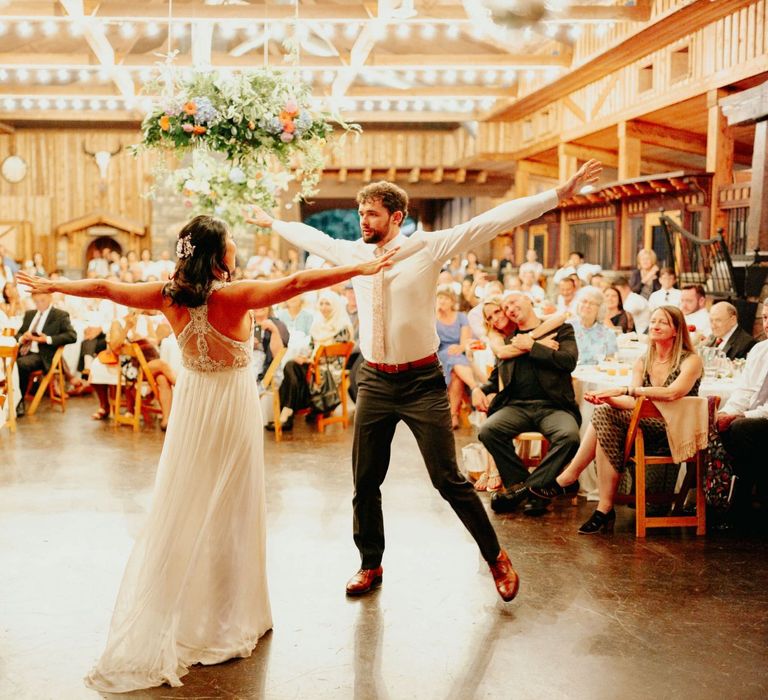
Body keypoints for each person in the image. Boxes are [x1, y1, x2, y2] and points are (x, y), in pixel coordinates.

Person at [17, 215, 394, 693]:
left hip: (193, 407)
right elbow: (298, 280)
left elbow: (105, 287)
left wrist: (54, 283)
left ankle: (192, 606)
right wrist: (357, 271)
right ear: (218, 257)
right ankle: (228, 615)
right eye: (232, 244)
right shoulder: (232, 297)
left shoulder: (166, 295)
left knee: (189, 498)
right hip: (230, 407)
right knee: (231, 505)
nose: (236, 250)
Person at [248, 159, 603, 602]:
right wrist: (272, 221)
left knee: (448, 479)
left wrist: (558, 194)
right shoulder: (354, 254)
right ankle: (369, 563)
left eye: (372, 214)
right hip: (375, 380)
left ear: (396, 217)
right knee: (365, 481)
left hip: (421, 382)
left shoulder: (428, 248)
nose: (364, 221)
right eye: (361, 214)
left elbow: (490, 220)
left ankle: (496, 557)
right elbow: (313, 238)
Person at [530, 306, 703, 533]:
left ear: (676, 330)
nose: (655, 326)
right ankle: (601, 506)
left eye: (663, 322)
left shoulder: (690, 360)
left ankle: (578, 484)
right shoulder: (644, 360)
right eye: (653, 321)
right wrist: (608, 399)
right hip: (644, 424)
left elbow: (672, 393)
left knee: (605, 419)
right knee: (604, 415)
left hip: (674, 429)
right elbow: (633, 404)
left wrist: (625, 389)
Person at [474, 292, 581, 517]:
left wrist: (532, 347)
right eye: (506, 307)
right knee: (488, 431)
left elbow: (568, 361)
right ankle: (532, 488)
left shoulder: (561, 330)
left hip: (554, 406)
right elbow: (497, 377)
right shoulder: (507, 339)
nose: (510, 308)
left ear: (529, 301)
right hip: (517, 407)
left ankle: (523, 491)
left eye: (513, 302)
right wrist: (479, 390)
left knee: (569, 436)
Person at [268, 290, 354, 431]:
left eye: (328, 304)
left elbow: (337, 353)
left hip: (329, 369)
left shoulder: (342, 326)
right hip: (314, 363)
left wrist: (314, 360)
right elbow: (312, 346)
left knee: (292, 370)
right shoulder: (318, 324)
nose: (324, 307)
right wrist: (306, 357)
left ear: (336, 306)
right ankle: (288, 412)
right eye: (321, 303)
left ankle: (287, 414)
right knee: (291, 365)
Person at [716, 299, 768, 529]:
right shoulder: (759, 349)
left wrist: (743, 417)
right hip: (757, 417)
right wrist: (727, 411)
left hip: (762, 418)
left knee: (742, 429)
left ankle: (743, 501)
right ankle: (716, 500)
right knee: (719, 423)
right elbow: (744, 390)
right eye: (766, 317)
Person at [14, 290, 77, 417]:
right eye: (36, 301)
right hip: (25, 351)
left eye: (42, 300)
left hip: (43, 355)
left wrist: (47, 339)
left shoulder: (59, 315)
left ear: (50, 298)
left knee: (20, 364)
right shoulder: (30, 314)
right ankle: (9, 399)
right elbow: (18, 335)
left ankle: (19, 402)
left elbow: (72, 336)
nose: (39, 304)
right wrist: (23, 337)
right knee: (5, 362)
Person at [435, 287, 478, 430]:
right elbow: (431, 342)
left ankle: (453, 414)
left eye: (445, 298)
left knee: (456, 375)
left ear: (452, 301)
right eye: (439, 298)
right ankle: (475, 387)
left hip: (458, 351)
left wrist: (459, 348)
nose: (442, 301)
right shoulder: (433, 317)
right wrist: (436, 314)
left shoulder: (460, 317)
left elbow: (465, 340)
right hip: (440, 353)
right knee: (451, 356)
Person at [571, 287, 618, 365]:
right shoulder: (567, 328)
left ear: (600, 309)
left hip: (598, 375)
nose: (587, 305)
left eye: (592, 303)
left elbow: (611, 363)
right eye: (584, 301)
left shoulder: (608, 334)